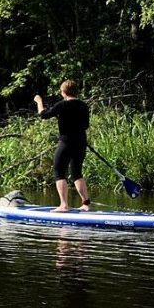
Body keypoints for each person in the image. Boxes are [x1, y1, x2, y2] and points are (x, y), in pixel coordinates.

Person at [34, 80, 91, 212]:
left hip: (66, 143)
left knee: (59, 172)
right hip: (81, 142)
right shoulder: (83, 105)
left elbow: (43, 115)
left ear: (64, 92)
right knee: (76, 173)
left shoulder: (62, 105)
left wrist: (39, 102)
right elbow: (85, 125)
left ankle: (64, 205)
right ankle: (86, 205)